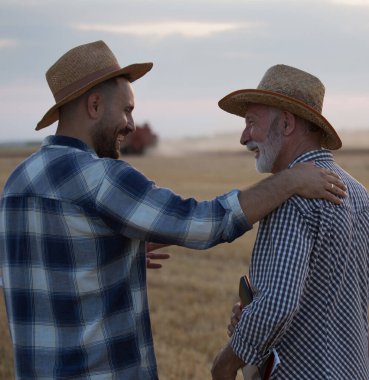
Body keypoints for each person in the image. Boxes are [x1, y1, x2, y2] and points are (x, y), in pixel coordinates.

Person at [0, 42, 345, 380]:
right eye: (127, 110)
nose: (132, 125)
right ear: (93, 105)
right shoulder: (100, 179)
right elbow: (206, 223)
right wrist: (290, 182)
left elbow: (44, 269)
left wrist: (116, 253)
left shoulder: (15, 184)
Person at [211, 64, 369, 380]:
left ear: (285, 123)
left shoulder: (291, 195)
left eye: (251, 123)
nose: (244, 137)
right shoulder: (360, 193)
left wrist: (226, 363)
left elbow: (278, 304)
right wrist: (251, 317)